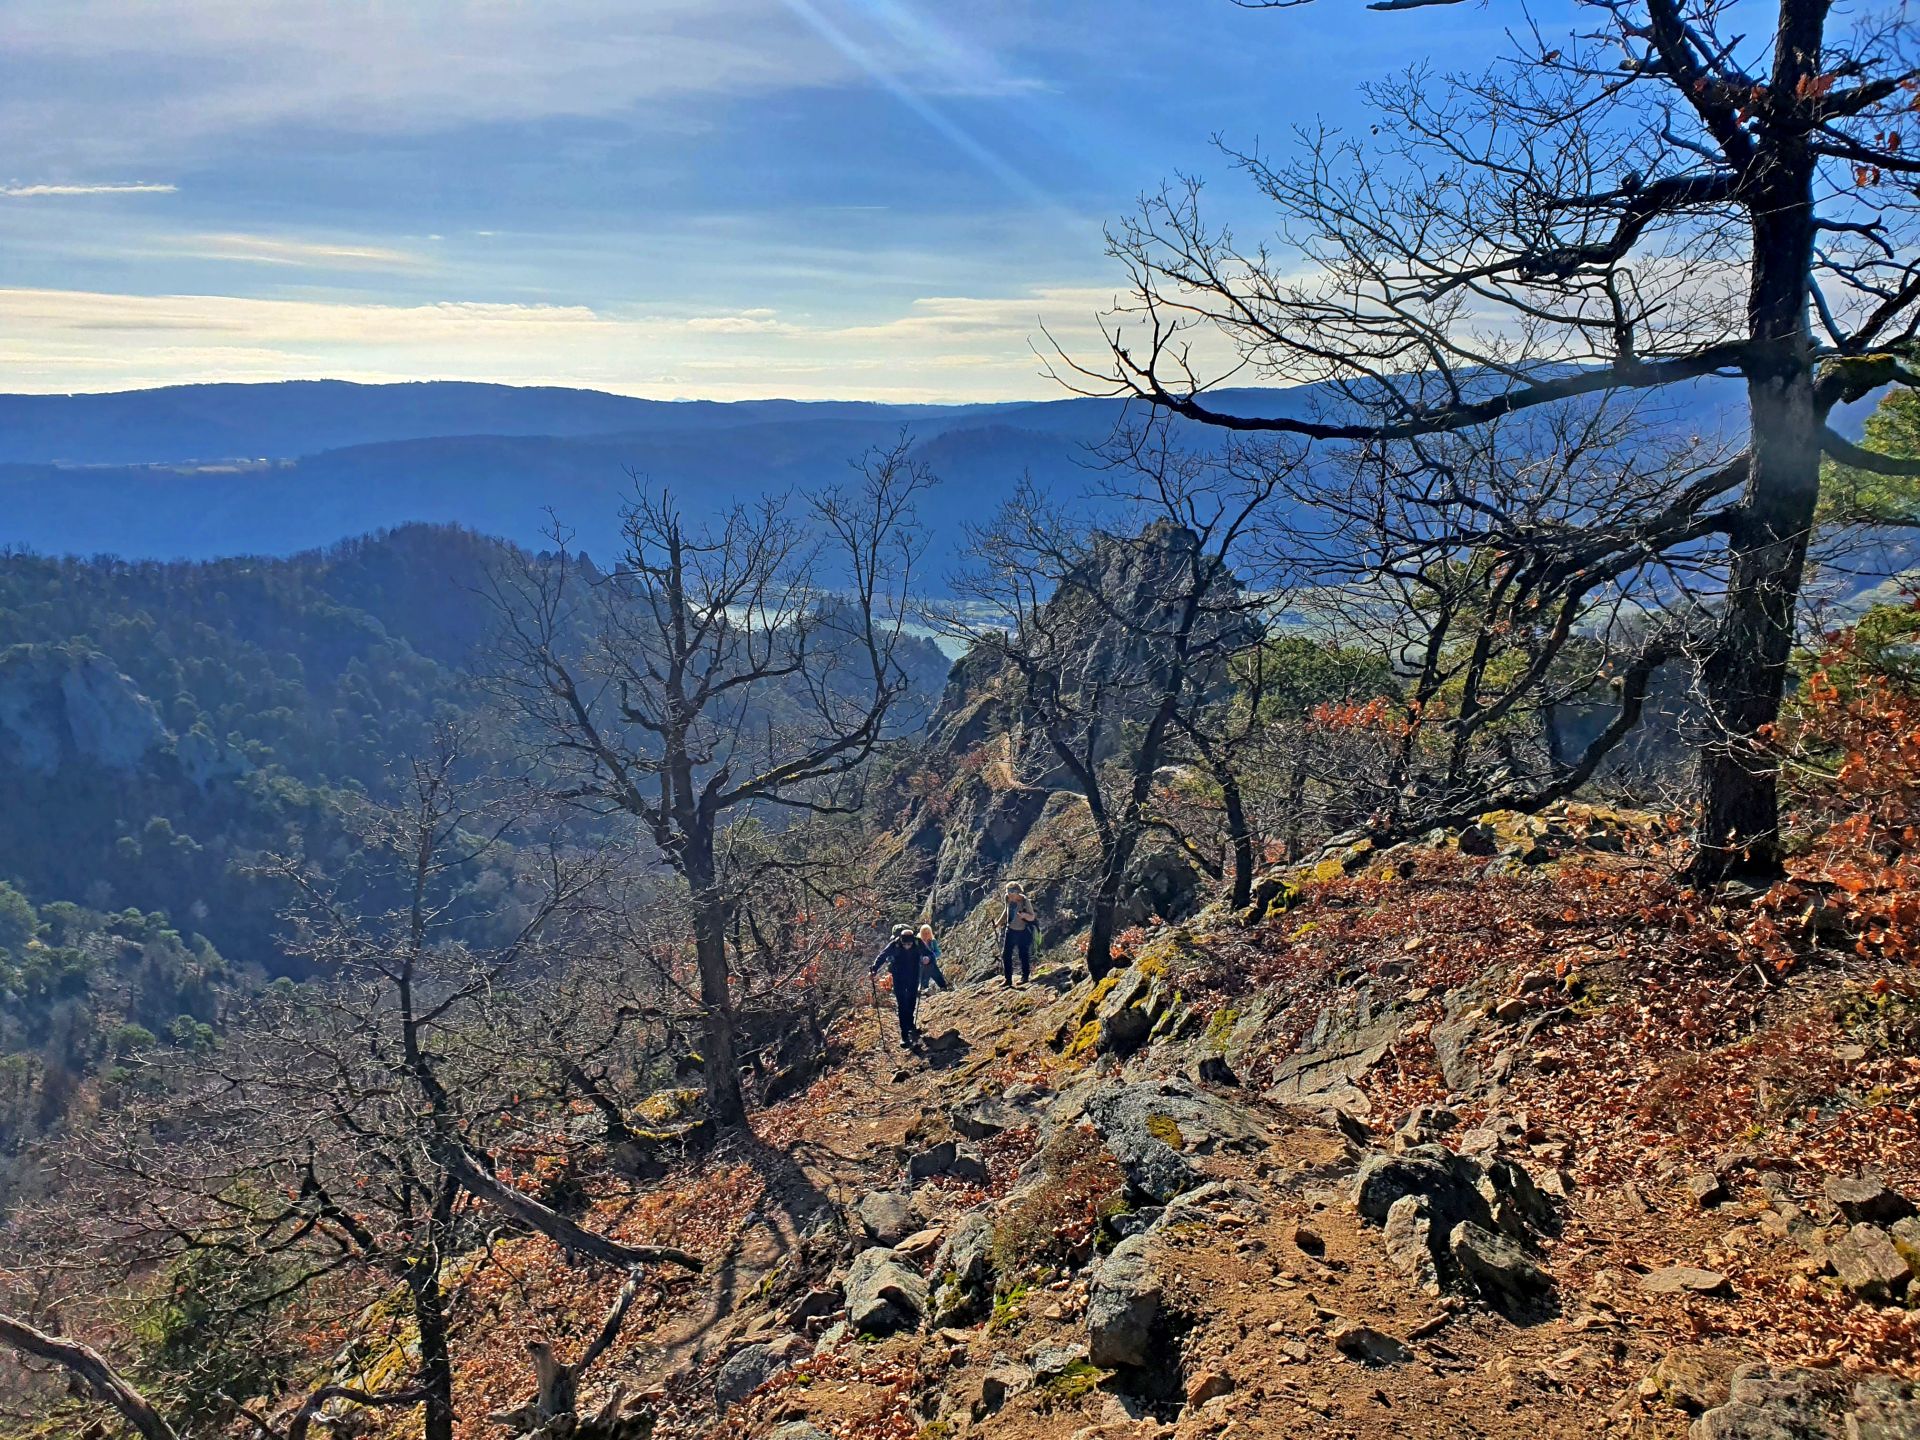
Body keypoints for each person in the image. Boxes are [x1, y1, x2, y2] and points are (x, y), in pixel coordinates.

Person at [870, 924, 930, 1047]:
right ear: (901, 941)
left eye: (909, 944)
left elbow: (930, 954)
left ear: (913, 941)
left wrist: (927, 958)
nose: (907, 947)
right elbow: (883, 955)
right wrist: (874, 969)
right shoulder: (895, 944)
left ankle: (910, 1024)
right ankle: (904, 1034)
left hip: (913, 976)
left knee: (912, 1001)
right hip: (899, 977)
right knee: (902, 1004)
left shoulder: (918, 943)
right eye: (905, 944)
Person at [1001, 882, 1036, 987]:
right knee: (1006, 955)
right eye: (1008, 891)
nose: (1009, 894)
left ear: (1018, 892)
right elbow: (1006, 911)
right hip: (1010, 930)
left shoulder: (1025, 901)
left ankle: (1025, 977)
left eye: (1012, 891)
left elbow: (1032, 917)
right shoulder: (1007, 898)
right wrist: (998, 923)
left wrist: (1025, 915)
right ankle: (1008, 979)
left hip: (1022, 931)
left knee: (1023, 954)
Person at [917, 922, 952, 994]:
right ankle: (924, 990)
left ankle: (943, 988)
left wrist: (930, 957)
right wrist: (922, 958)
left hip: (931, 962)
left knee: (937, 974)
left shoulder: (933, 941)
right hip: (921, 963)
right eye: (924, 933)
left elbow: (938, 952)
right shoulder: (917, 942)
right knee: (923, 977)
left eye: (927, 932)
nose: (926, 934)